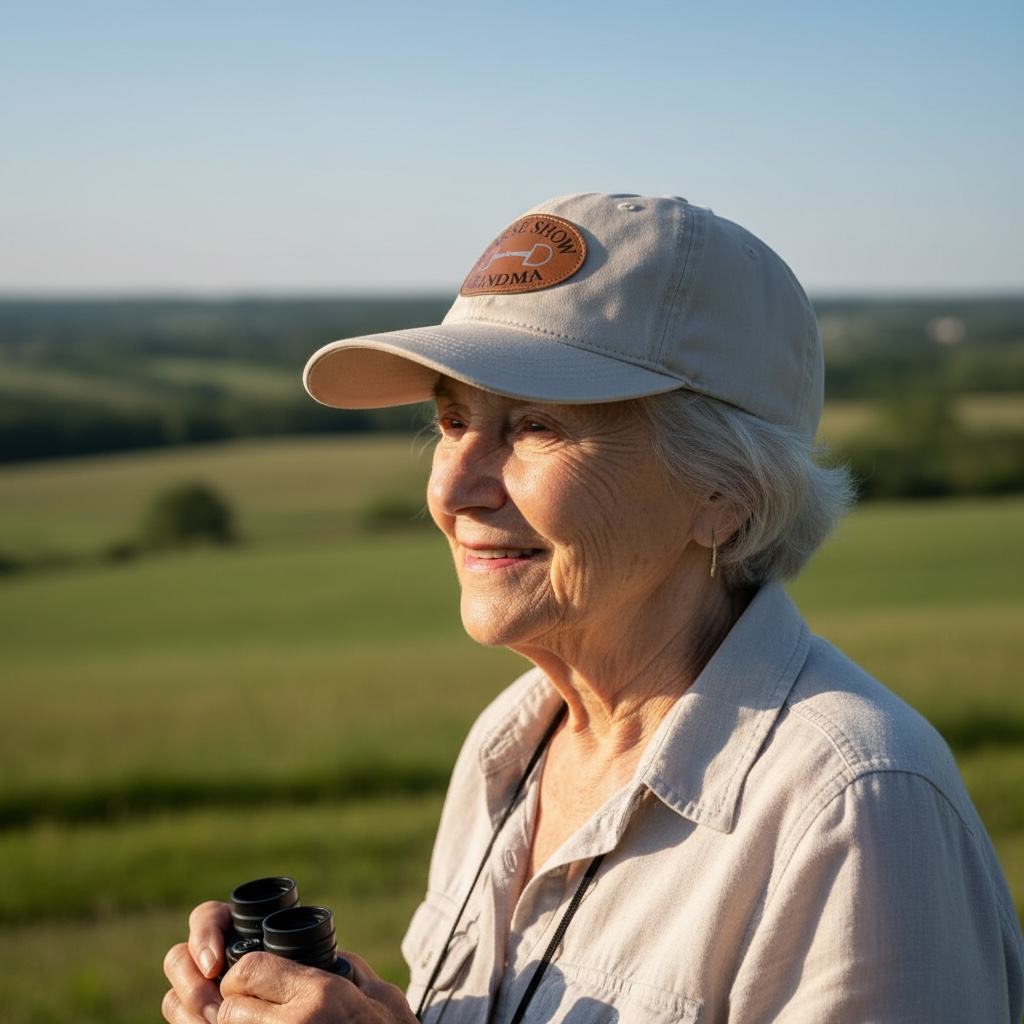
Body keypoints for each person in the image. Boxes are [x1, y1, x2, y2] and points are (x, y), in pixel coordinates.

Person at [163, 193, 1024, 1023]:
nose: (454, 489)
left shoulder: (854, 807)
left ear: (726, 491)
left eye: (535, 426)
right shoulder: (510, 746)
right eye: (452, 422)